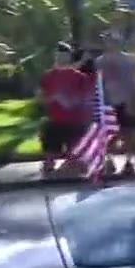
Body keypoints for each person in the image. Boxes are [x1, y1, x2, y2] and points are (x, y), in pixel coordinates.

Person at [39, 42, 93, 177]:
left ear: (69, 57)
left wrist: (69, 101)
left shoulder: (80, 77)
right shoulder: (48, 76)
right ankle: (49, 167)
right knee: (50, 147)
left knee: (74, 155)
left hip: (74, 121)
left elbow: (86, 99)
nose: (60, 58)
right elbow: (41, 97)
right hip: (54, 120)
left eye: (63, 55)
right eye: (57, 55)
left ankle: (74, 166)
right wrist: (52, 98)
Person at [95, 32, 135, 173]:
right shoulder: (99, 61)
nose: (109, 43)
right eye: (107, 40)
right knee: (107, 132)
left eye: (112, 41)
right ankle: (108, 160)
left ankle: (129, 161)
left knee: (129, 133)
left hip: (127, 100)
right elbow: (98, 83)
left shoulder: (132, 60)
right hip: (107, 103)